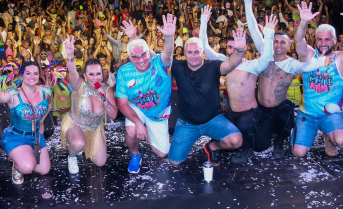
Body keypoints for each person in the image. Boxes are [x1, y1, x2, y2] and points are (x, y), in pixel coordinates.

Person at [241, 0, 327, 160]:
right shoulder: (265, 55)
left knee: (286, 110)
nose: (279, 45)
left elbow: (308, 67)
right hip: (262, 108)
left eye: (283, 42)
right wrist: (247, 2)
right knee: (259, 146)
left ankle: (281, 139)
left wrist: (325, 59)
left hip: (280, 106)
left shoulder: (291, 64)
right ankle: (269, 132)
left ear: (289, 45)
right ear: (271, 42)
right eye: (276, 41)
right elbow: (251, 26)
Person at [199, 3, 274, 163]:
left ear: (244, 48)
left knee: (246, 128)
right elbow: (204, 48)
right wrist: (204, 21)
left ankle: (246, 150)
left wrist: (268, 34)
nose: (232, 50)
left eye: (236, 47)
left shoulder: (252, 65)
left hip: (249, 113)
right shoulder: (223, 62)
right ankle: (218, 147)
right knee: (216, 130)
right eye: (229, 47)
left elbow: (267, 56)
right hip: (232, 112)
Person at [168, 19, 247, 167]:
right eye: (189, 52)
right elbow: (162, 58)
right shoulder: (178, 66)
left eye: (197, 51)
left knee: (236, 141)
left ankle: (213, 147)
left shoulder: (214, 66)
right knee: (175, 162)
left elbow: (231, 63)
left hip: (213, 120)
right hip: (187, 124)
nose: (193, 55)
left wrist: (240, 50)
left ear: (203, 52)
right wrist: (168, 37)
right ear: (184, 53)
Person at [292, 0, 343, 157]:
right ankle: (303, 135)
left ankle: (328, 137)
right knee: (298, 153)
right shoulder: (309, 56)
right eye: (320, 39)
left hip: (330, 114)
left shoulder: (341, 60)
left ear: (335, 41)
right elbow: (298, 41)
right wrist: (303, 22)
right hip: (307, 114)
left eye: (327, 39)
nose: (323, 43)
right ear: (315, 40)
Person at [115, 14, 177, 173]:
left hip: (158, 113)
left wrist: (169, 37)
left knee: (162, 153)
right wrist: (138, 123)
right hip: (137, 108)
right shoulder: (124, 71)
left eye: (143, 54)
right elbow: (121, 103)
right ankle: (135, 155)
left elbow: (168, 53)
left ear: (149, 52)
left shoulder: (160, 63)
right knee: (131, 130)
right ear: (129, 58)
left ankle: (147, 129)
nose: (141, 59)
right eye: (135, 57)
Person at [0, 56, 51, 185]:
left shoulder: (46, 91)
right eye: (28, 73)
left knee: (43, 170)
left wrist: (41, 120)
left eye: (35, 73)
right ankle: (18, 168)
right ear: (22, 75)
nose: (32, 76)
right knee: (27, 167)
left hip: (37, 137)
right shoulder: (13, 94)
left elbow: (48, 106)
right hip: (16, 137)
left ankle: (27, 155)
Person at [61, 36, 118, 174]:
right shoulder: (79, 85)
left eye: (98, 73)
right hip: (75, 124)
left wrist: (104, 99)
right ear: (85, 76)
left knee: (101, 162)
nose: (95, 77)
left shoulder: (106, 90)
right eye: (91, 74)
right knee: (78, 143)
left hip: (94, 128)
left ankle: (84, 143)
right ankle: (72, 156)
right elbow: (73, 73)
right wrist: (70, 56)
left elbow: (114, 115)